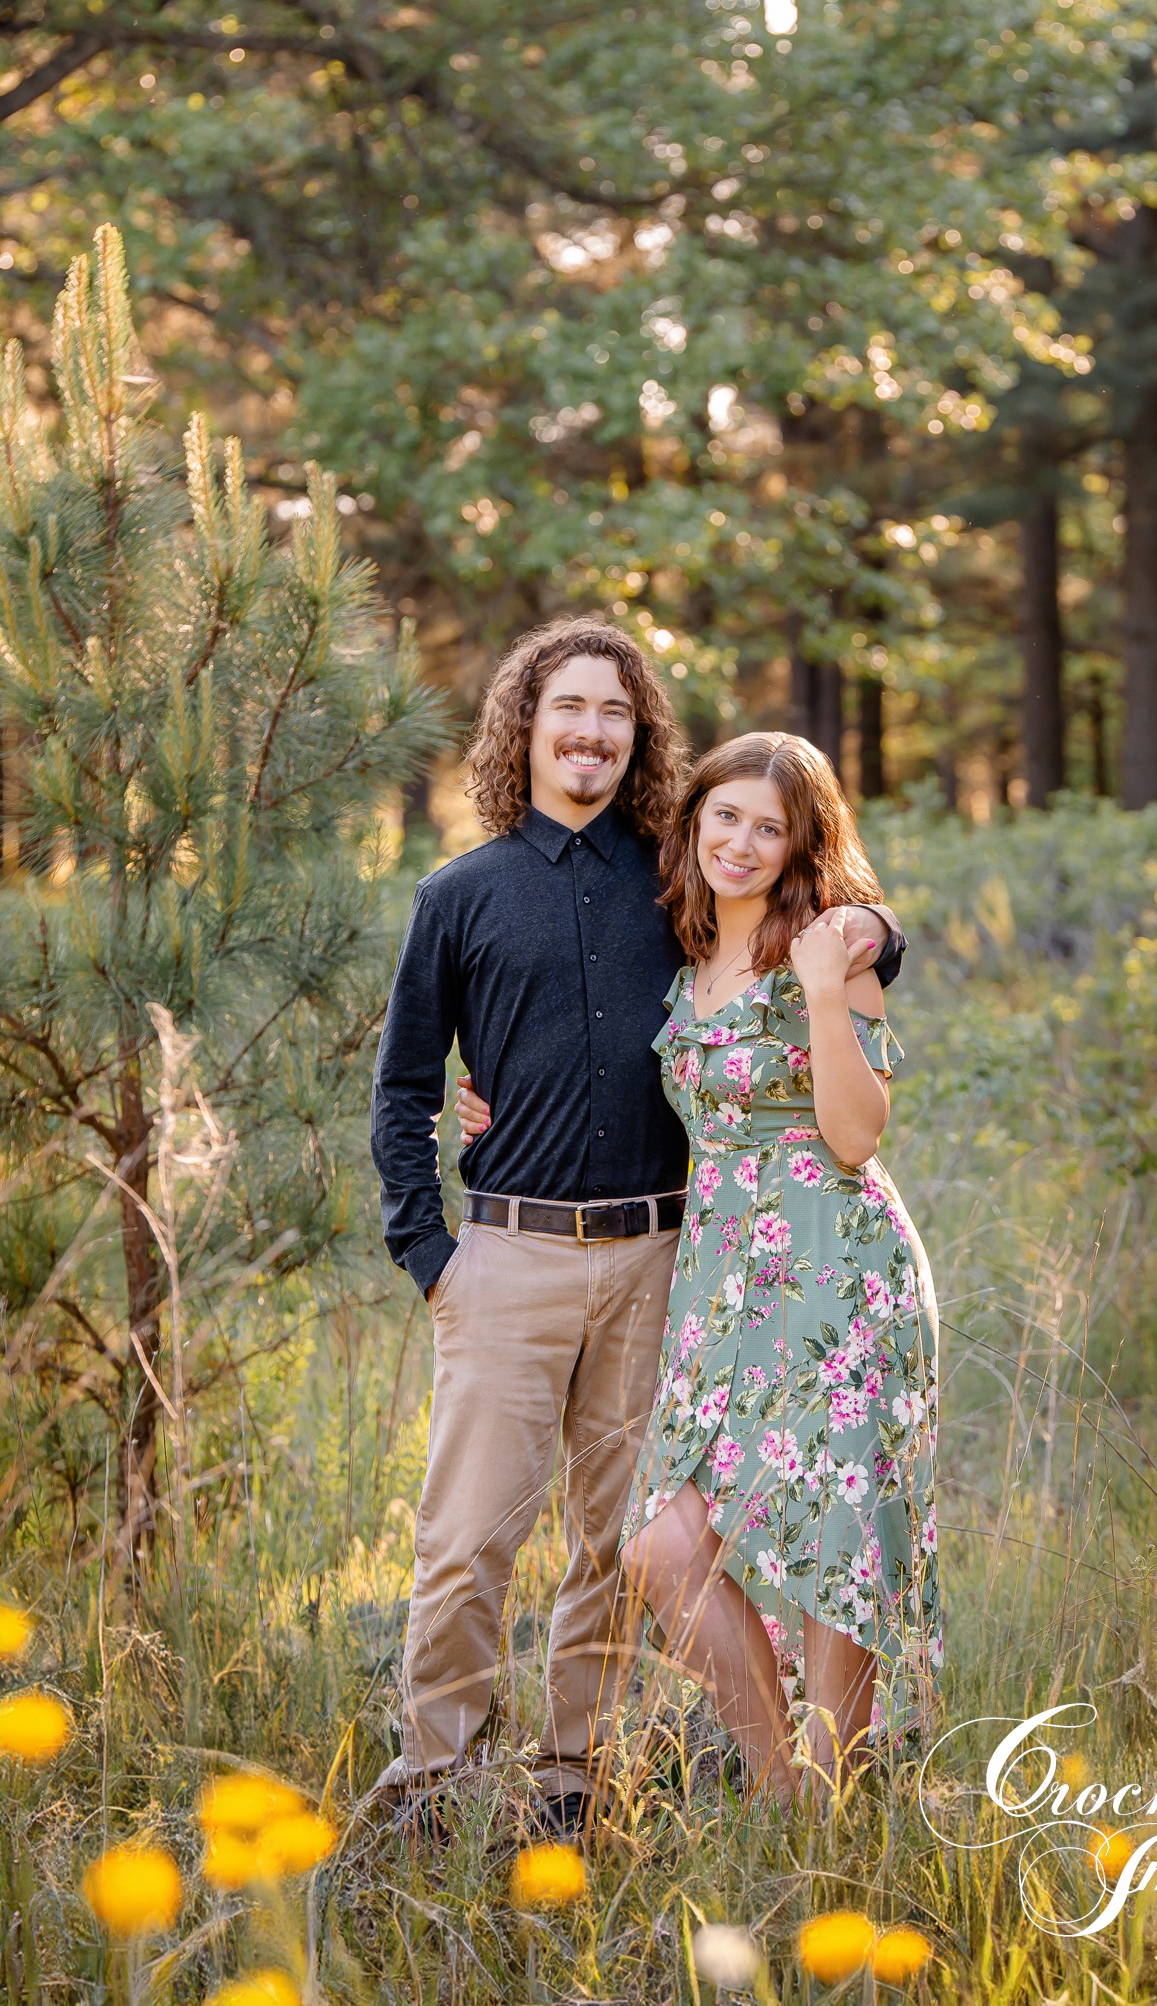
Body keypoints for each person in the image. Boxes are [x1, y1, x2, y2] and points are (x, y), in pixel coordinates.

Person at [369, 618, 902, 1836]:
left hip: (667, 1255)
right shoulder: (457, 895)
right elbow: (404, 1085)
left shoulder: (670, 873)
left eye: (615, 712)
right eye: (570, 707)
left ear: (637, 735)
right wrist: (428, 1254)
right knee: (465, 1542)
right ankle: (433, 1788)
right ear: (526, 722)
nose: (591, 732)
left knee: (614, 1545)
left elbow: (814, 902)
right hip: (504, 1255)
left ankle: (576, 1779)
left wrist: (879, 935)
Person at [614, 733, 940, 1807]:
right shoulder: (683, 950)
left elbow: (854, 1135)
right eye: (725, 818)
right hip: (719, 1280)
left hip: (837, 1268)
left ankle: (827, 1808)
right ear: (693, 821)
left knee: (831, 1535)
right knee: (665, 1546)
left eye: (770, 826)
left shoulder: (830, 948)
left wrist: (815, 990)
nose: (742, 843)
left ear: (802, 842)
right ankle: (779, 1784)